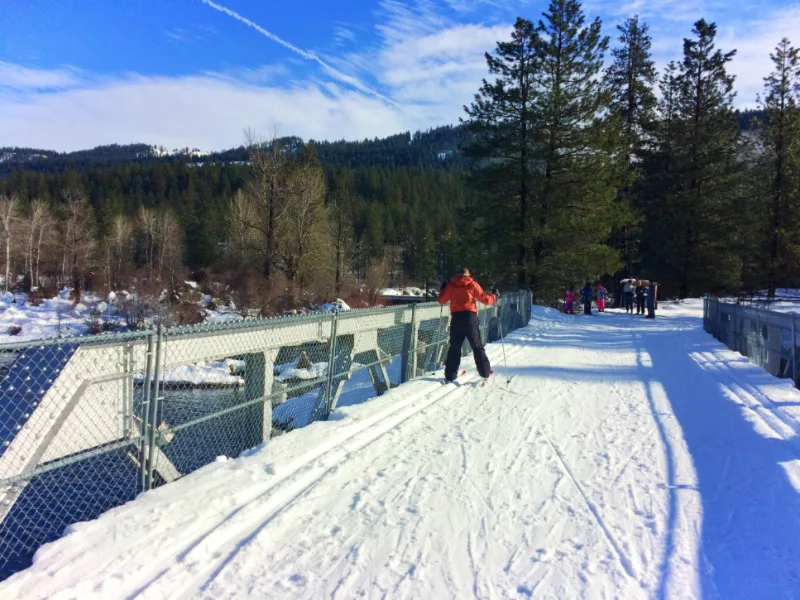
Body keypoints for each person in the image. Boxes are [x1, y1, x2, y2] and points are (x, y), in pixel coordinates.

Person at [438, 267, 497, 382]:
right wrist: (494, 296)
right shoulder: (472, 284)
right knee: (477, 346)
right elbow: (485, 299)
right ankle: (485, 372)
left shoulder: (451, 285)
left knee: (454, 347)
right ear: (467, 274)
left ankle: (450, 375)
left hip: (456, 318)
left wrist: (443, 289)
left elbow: (441, 300)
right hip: (470, 318)